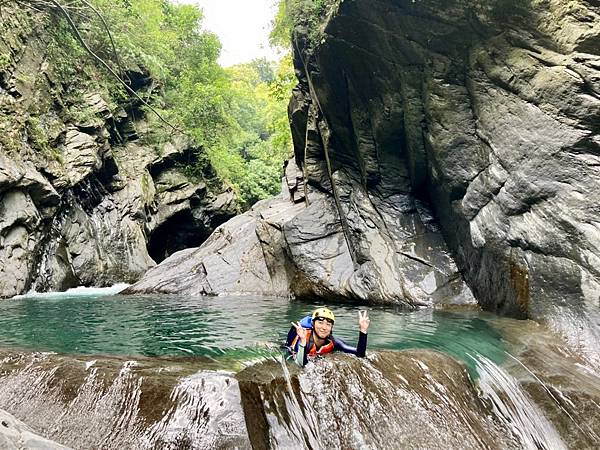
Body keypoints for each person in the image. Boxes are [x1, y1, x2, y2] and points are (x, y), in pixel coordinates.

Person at [287, 307, 370, 367]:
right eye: (320, 322)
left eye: (328, 324)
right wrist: (303, 341)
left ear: (331, 328)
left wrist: (363, 330)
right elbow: (301, 364)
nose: (324, 327)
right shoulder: (305, 339)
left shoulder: (333, 342)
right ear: (313, 324)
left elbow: (360, 354)